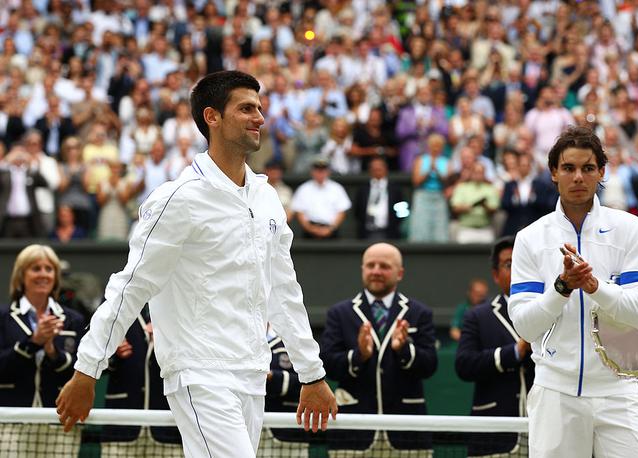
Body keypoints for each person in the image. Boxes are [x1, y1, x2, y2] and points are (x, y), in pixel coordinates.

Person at [56, 70, 337, 458]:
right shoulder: (178, 198)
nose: (259, 117)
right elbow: (131, 285)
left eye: (259, 108)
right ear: (212, 117)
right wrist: (87, 368)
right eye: (246, 108)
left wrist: (312, 373)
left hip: (253, 375)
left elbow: (285, 291)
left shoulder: (267, 197)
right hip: (198, 372)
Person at [508, 126, 638, 458]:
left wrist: (594, 287)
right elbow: (524, 326)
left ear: (601, 172)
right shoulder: (529, 238)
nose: (578, 177)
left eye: (588, 168)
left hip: (619, 391)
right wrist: (562, 288)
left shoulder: (630, 228)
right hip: (554, 393)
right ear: (553, 173)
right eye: (568, 168)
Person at [320, 242, 437, 457]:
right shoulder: (340, 313)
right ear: (362, 269)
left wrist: (404, 350)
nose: (376, 271)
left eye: (384, 266)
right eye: (370, 265)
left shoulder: (419, 312)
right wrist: (359, 355)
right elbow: (329, 364)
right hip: (353, 435)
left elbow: (429, 365)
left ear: (399, 273)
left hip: (407, 434)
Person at [0, 245, 84, 457]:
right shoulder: (3, 317)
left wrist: (52, 353)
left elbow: (78, 371)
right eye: (35, 268)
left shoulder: (73, 319)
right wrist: (33, 342)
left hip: (59, 421)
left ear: (56, 277)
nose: (43, 274)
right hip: (11, 421)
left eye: (49, 269)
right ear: (21, 276)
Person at [455, 236, 534, 457]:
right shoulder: (477, 316)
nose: (517, 268)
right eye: (509, 264)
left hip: (544, 432)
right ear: (495, 274)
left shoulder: (553, 309)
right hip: (493, 436)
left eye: (523, 261)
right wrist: (515, 352)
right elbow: (464, 365)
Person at [99, 306, 184, 458]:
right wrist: (112, 353)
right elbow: (90, 360)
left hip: (169, 428)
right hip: (121, 428)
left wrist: (169, 341)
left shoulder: (180, 303)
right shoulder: (113, 302)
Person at [256, 327, 311, 458]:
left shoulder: (293, 336)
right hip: (247, 428)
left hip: (287, 434)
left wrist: (272, 377)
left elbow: (310, 381)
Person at [291, 156, 352, 240]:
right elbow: (299, 211)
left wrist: (331, 228)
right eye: (317, 170)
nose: (320, 173)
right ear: (312, 171)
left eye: (323, 170)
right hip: (309, 234)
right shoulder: (303, 189)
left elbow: (341, 211)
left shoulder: (337, 188)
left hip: (332, 232)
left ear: (328, 171)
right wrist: (310, 228)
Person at [353, 156, 404, 240]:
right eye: (374, 168)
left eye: (379, 168)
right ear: (370, 170)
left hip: (390, 233)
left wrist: (395, 225)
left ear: (385, 169)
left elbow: (402, 211)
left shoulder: (395, 189)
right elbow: (357, 211)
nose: (377, 170)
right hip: (366, 233)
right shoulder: (363, 189)